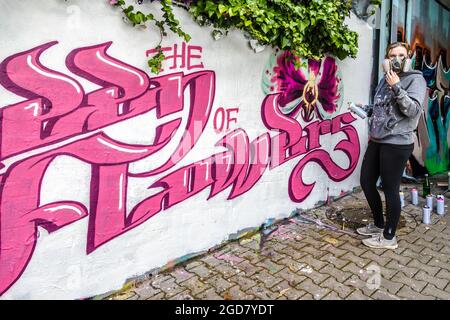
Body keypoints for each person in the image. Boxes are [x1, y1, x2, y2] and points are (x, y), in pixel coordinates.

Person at [354, 42, 427, 249]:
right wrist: (366, 109)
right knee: (367, 182)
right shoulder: (384, 78)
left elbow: (412, 111)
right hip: (377, 139)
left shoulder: (416, 79)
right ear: (386, 58)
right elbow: (384, 109)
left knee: (390, 189)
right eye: (392, 55)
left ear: (408, 57)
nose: (396, 59)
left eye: (401, 55)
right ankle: (378, 224)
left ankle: (388, 237)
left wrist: (397, 86)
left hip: (397, 143)